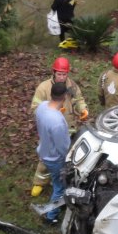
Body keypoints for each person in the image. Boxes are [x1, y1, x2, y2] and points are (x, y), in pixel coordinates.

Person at [32, 81, 72, 221]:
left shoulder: (42, 106)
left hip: (44, 150)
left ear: (51, 94)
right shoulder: (57, 121)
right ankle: (51, 216)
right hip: (55, 158)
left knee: (56, 180)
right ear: (65, 96)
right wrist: (69, 159)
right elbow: (63, 147)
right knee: (59, 187)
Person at [30, 56, 89, 136]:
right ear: (54, 73)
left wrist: (83, 109)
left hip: (69, 128)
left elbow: (78, 100)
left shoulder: (72, 86)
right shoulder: (43, 88)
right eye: (59, 74)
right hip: (51, 129)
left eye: (64, 74)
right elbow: (35, 108)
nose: (61, 78)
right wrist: (52, 113)